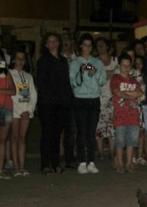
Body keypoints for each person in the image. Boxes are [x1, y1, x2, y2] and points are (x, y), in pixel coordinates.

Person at [37, 32, 74, 175]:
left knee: (57, 135)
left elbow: (66, 83)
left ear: (58, 43)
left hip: (62, 104)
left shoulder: (63, 61)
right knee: (47, 134)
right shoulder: (43, 61)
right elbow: (42, 84)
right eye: (49, 41)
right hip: (47, 104)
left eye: (55, 41)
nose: (52, 43)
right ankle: (45, 164)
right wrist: (49, 100)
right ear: (46, 45)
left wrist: (68, 100)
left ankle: (56, 162)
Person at [69, 33, 107, 174]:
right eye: (85, 45)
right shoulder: (75, 63)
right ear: (80, 46)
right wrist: (81, 71)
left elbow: (102, 80)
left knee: (91, 132)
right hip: (80, 99)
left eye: (90, 45)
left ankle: (91, 161)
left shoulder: (97, 62)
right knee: (81, 132)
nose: (87, 48)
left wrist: (94, 73)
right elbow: (73, 82)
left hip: (94, 99)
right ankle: (81, 161)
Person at [110, 54, 143, 173]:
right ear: (119, 66)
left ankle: (129, 163)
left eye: (128, 65)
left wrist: (125, 94)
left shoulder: (134, 80)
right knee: (120, 140)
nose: (126, 68)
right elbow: (116, 92)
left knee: (132, 140)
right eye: (124, 65)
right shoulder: (116, 78)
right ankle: (119, 162)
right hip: (120, 114)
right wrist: (130, 94)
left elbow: (139, 93)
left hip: (133, 115)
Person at [9, 50, 37, 176]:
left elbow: (33, 94)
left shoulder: (28, 76)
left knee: (22, 138)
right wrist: (19, 110)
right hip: (14, 111)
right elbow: (11, 95)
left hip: (26, 111)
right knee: (14, 138)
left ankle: (22, 166)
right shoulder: (9, 74)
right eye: (18, 59)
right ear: (13, 60)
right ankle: (15, 167)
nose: (20, 61)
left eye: (22, 59)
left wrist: (29, 110)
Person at [95, 36, 118, 162]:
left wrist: (104, 74)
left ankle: (112, 151)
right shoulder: (92, 61)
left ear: (108, 46)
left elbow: (120, 73)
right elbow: (91, 74)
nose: (100, 48)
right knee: (99, 125)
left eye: (102, 45)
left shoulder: (116, 60)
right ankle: (100, 151)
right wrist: (107, 74)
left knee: (112, 124)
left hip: (113, 96)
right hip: (99, 97)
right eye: (98, 46)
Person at [0, 50, 16, 179]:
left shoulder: (6, 73)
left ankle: (1, 170)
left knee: (3, 140)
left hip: (5, 108)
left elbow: (13, 91)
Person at [133, 55, 147, 165]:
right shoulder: (132, 75)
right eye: (136, 62)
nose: (138, 65)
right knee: (136, 131)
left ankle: (142, 154)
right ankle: (134, 155)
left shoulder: (146, 75)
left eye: (140, 62)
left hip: (145, 105)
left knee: (145, 130)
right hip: (135, 105)